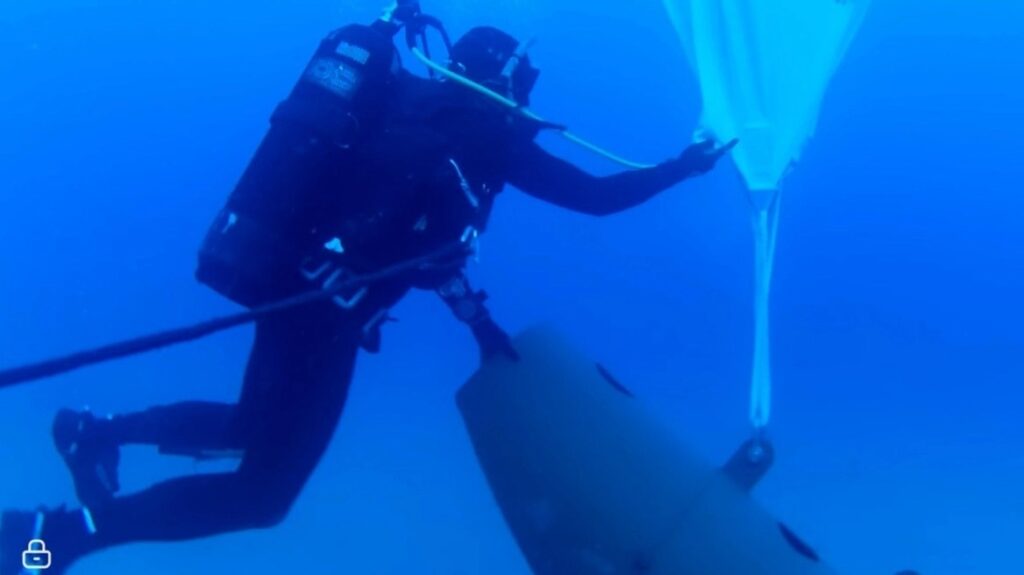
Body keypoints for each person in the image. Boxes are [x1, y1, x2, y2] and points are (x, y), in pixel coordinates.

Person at [0, 13, 733, 575]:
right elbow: (596, 198)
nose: (524, 98)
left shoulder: (405, 101)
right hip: (327, 314)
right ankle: (55, 537)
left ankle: (94, 433)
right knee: (263, 494)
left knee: (252, 425)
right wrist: (685, 165)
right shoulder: (489, 135)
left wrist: (477, 323)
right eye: (525, 83)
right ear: (506, 77)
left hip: (292, 290)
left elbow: (419, 233)